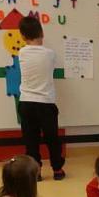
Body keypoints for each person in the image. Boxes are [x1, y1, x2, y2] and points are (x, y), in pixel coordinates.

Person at [16, 15, 65, 180]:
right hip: (45, 103)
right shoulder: (50, 54)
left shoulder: (21, 53)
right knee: (52, 138)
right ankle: (57, 170)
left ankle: (35, 172)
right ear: (42, 33)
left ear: (23, 36)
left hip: (26, 102)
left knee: (31, 140)